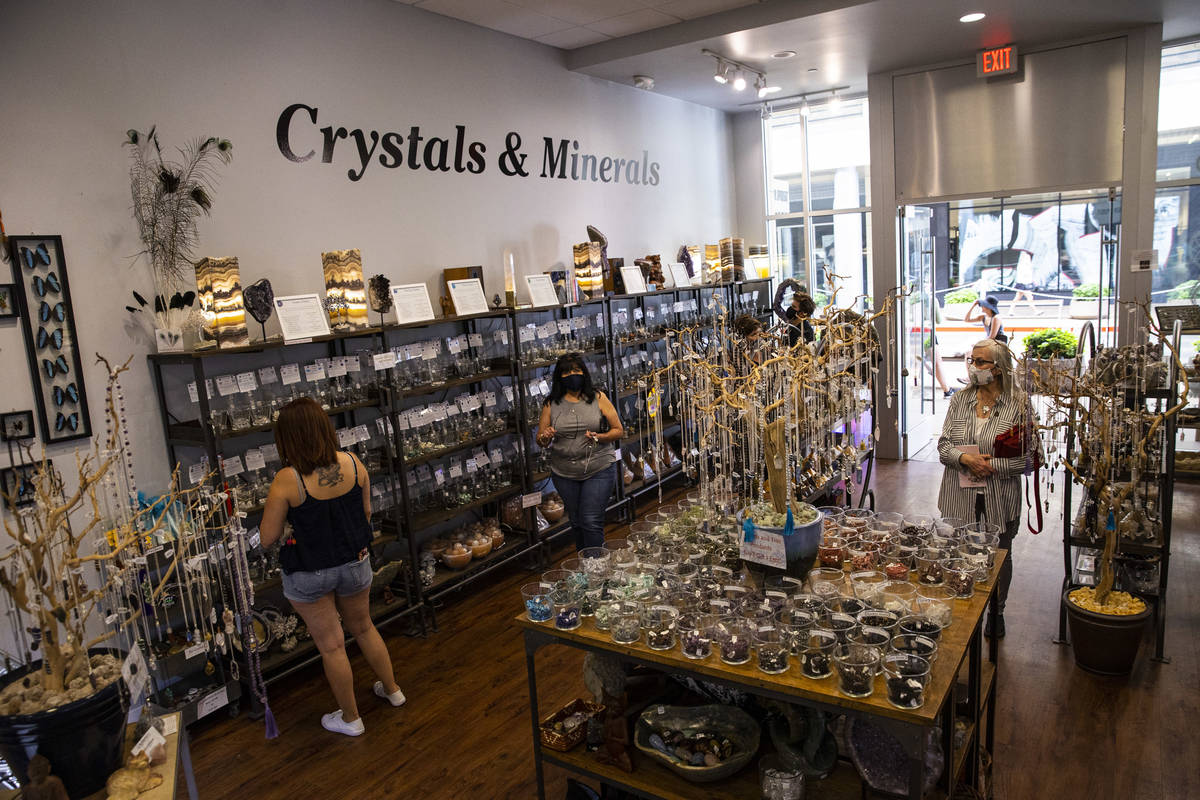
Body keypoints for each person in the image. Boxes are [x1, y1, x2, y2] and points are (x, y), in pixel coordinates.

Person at [260, 397, 405, 737]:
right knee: (365, 627)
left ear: (287, 438)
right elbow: (366, 514)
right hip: (354, 562)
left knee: (332, 645)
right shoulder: (354, 464)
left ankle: (351, 718)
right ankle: (393, 689)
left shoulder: (287, 479)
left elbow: (267, 537)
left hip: (309, 571)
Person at [936, 339, 1034, 637]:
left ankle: (997, 611)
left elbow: (1029, 460)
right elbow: (943, 447)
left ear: (999, 369)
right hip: (959, 495)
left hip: (999, 497)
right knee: (957, 553)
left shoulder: (1019, 404)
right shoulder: (959, 400)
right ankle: (963, 609)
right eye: (971, 360)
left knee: (1001, 555)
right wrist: (965, 458)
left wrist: (990, 467)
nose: (973, 367)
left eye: (980, 362)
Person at [536, 354, 624, 551]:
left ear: (584, 373)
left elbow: (619, 430)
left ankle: (597, 570)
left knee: (590, 520)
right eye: (566, 372)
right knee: (576, 521)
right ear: (559, 377)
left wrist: (599, 437)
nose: (572, 375)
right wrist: (546, 436)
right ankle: (586, 568)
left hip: (598, 467)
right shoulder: (551, 403)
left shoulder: (598, 397)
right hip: (564, 472)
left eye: (577, 370)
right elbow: (540, 440)